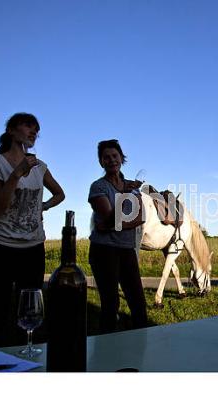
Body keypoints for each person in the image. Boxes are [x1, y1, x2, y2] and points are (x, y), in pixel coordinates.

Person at [0, 112, 65, 347]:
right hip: (1, 248)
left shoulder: (39, 166)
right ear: (11, 131)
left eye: (36, 129)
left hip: (33, 248)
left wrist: (43, 206)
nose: (34, 131)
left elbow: (60, 194)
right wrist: (16, 174)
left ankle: (26, 360)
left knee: (30, 311)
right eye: (28, 126)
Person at [88, 139, 148, 333]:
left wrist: (112, 225)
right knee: (110, 304)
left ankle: (140, 349)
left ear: (121, 158)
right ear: (101, 162)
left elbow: (140, 218)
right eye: (106, 157)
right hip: (104, 251)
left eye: (115, 156)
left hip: (126, 250)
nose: (111, 160)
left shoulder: (133, 187)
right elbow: (110, 219)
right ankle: (106, 353)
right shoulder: (98, 187)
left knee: (138, 303)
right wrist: (122, 195)